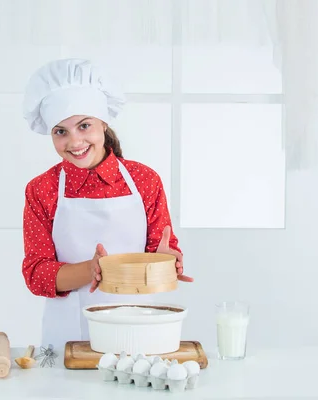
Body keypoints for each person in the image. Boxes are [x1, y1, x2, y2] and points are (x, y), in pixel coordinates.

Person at [21, 58, 193, 352]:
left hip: (140, 330)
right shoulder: (42, 190)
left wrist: (165, 259)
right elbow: (37, 274)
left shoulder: (144, 180)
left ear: (103, 123)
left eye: (84, 125)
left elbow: (160, 251)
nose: (74, 141)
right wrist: (92, 270)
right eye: (60, 131)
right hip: (68, 336)